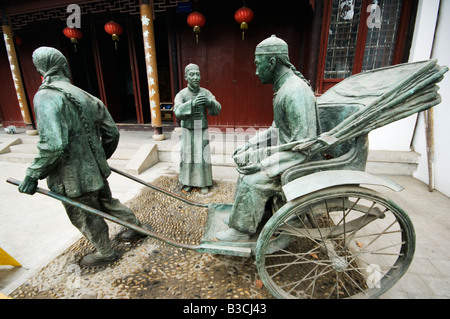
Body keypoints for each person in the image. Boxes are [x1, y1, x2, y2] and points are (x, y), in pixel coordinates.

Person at [18, 47, 145, 267]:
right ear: (64, 67)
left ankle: (106, 252)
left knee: (85, 214)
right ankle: (136, 227)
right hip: (94, 169)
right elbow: (111, 133)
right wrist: (98, 159)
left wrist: (33, 174)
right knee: (107, 202)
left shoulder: (46, 96)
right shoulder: (84, 95)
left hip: (72, 176)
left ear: (41, 69)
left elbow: (53, 145)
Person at [216, 35, 319, 241]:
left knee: (252, 180)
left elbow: (303, 144)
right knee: (245, 168)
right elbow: (276, 130)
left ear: (272, 62)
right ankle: (250, 215)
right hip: (290, 153)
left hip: (299, 160)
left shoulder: (295, 91)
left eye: (257, 64)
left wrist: (261, 158)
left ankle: (241, 231)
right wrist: (250, 146)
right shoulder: (284, 89)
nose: (256, 71)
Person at [174, 64, 221, 194]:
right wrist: (191, 104)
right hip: (188, 129)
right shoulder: (181, 94)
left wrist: (209, 103)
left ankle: (204, 182)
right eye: (192, 74)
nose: (195, 77)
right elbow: (177, 111)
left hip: (201, 128)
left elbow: (217, 108)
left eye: (197, 74)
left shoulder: (205, 92)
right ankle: (187, 182)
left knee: (202, 155)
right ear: (186, 77)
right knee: (188, 155)